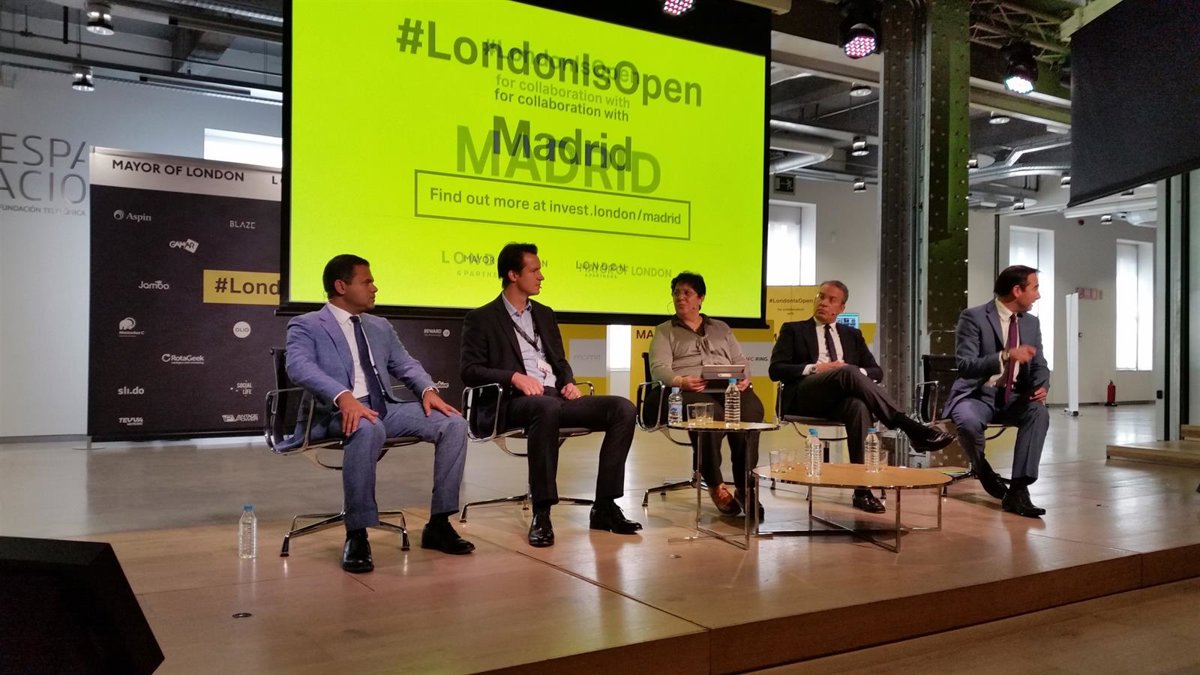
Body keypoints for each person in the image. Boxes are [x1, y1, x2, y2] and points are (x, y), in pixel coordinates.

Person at [286, 254, 474, 573]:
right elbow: (299, 366)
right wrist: (343, 396)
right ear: (341, 286)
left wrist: (428, 390)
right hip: (335, 412)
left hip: (383, 407)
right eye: (367, 281)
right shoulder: (307, 324)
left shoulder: (379, 326)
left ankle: (439, 524)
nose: (375, 288)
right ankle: (357, 533)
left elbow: (405, 364)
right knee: (367, 426)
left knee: (453, 423)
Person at [460, 243, 642, 547]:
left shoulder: (544, 314)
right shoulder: (482, 318)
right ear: (513, 275)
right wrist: (514, 377)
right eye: (534, 270)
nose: (541, 276)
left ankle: (604, 506)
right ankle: (542, 512)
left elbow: (559, 361)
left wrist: (568, 381)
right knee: (545, 408)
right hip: (511, 401)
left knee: (623, 408)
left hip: (554, 398)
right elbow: (470, 371)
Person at [769, 280, 954, 513]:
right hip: (806, 396)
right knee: (846, 371)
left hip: (840, 401)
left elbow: (876, 372)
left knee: (858, 406)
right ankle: (909, 426)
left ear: (841, 308)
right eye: (821, 296)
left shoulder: (852, 335)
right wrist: (818, 368)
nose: (823, 303)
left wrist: (854, 373)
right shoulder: (793, 329)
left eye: (831, 300)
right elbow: (776, 370)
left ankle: (862, 490)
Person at [649, 272, 765, 517]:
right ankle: (715, 484)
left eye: (687, 293)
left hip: (727, 385)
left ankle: (745, 486)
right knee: (710, 415)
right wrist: (681, 381)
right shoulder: (664, 330)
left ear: (700, 298)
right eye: (676, 293)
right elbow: (658, 368)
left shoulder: (721, 328)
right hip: (688, 389)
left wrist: (744, 377)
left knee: (750, 411)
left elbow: (741, 360)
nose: (680, 298)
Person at [944, 265, 1050, 518]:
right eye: (1034, 288)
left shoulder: (1031, 323)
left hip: (1014, 397)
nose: (1038, 295)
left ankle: (1019, 490)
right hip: (977, 394)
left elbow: (1040, 364)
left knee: (1039, 414)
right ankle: (982, 469)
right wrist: (1005, 355)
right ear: (1017, 290)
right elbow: (966, 366)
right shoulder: (973, 317)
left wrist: (1042, 385)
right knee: (968, 422)